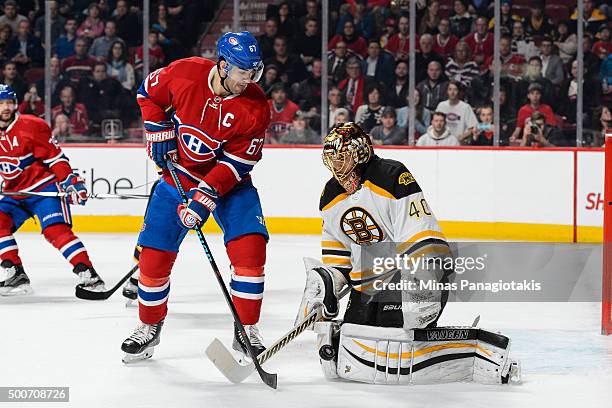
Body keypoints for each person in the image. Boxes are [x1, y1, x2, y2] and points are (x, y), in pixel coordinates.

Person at [298, 122, 519, 384]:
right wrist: (324, 288)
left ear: (359, 152)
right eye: (332, 159)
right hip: (368, 285)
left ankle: (474, 350)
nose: (337, 167)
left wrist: (423, 288)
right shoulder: (330, 195)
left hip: (411, 278)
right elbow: (338, 258)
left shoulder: (391, 175)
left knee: (397, 339)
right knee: (355, 337)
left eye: (342, 158)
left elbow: (424, 238)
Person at [121, 31, 271, 363]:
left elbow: (239, 161)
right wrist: (157, 129)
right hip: (179, 176)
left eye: (253, 72)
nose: (249, 80)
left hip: (230, 185)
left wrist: (207, 194)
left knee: (251, 250)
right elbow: (148, 92)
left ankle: (247, 328)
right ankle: (148, 327)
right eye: (243, 72)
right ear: (222, 66)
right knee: (153, 258)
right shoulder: (184, 72)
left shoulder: (256, 106)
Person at [0, 84, 105, 296]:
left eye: (9, 102)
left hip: (43, 188)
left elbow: (55, 158)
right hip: (14, 191)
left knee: (55, 230)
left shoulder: (32, 126)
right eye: (1, 103)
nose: (6, 107)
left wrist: (70, 181)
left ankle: (89, 275)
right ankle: (15, 274)